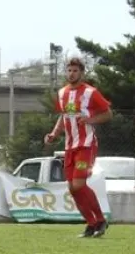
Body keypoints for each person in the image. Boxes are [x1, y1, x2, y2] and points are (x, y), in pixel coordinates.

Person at [43, 57, 112, 238]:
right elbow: (63, 116)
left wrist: (89, 119)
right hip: (69, 147)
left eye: (75, 70)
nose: (71, 73)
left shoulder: (90, 92)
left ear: (81, 73)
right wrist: (53, 134)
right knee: (73, 188)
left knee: (79, 184)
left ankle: (101, 220)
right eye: (69, 70)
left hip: (86, 145)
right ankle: (91, 224)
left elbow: (107, 114)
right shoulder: (62, 93)